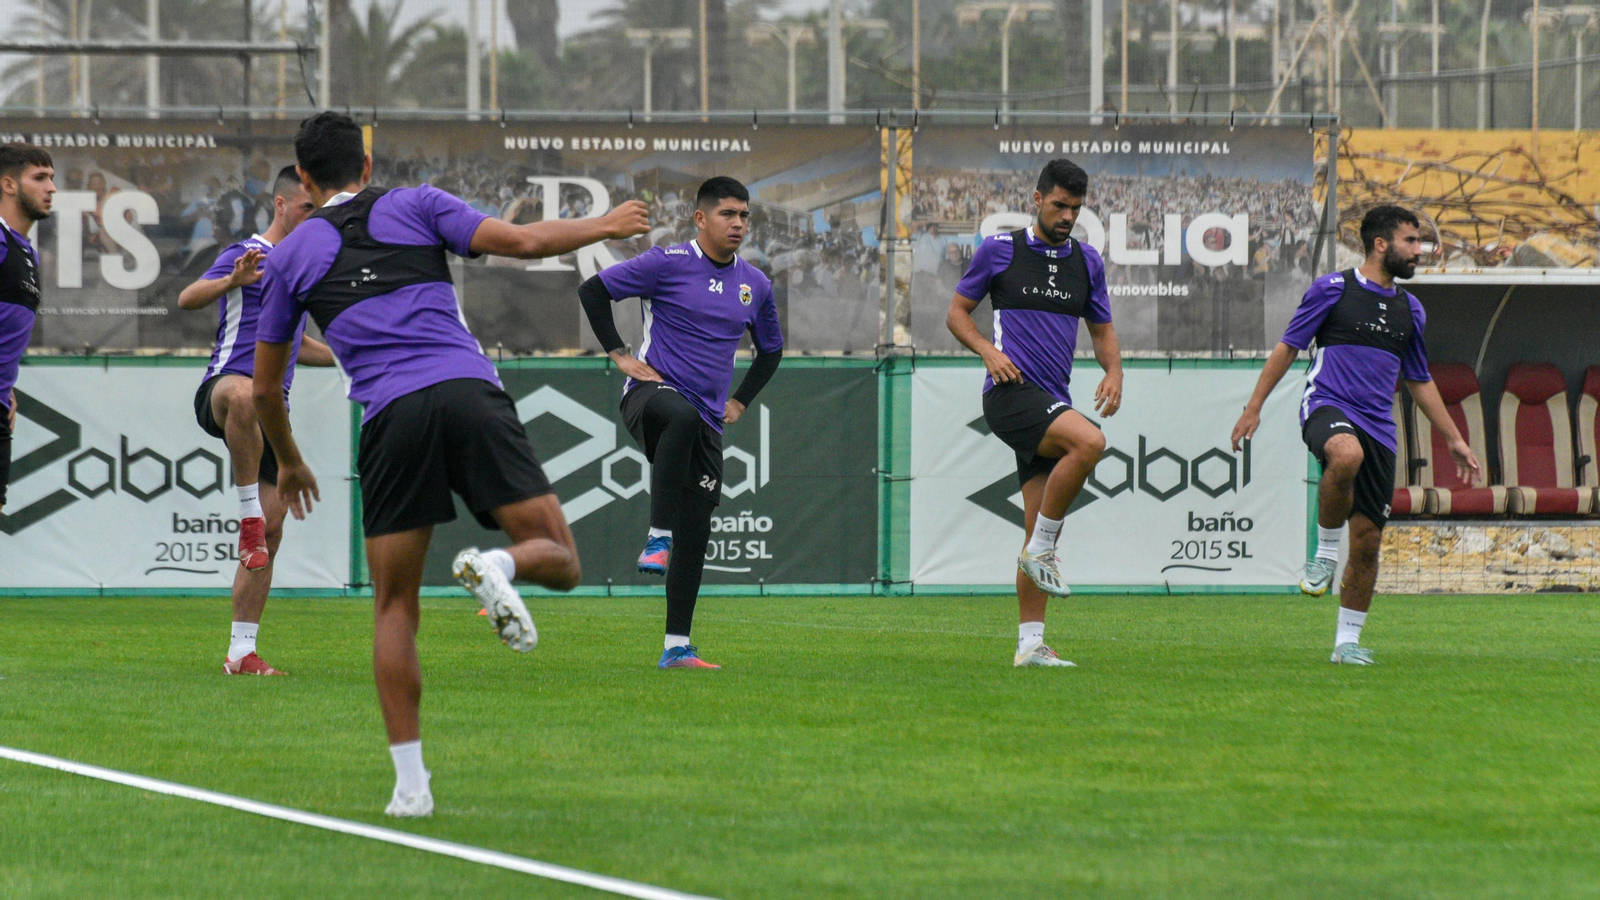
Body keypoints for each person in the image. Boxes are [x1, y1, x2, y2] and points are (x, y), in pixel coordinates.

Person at [252, 112, 649, 817]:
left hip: (391, 420)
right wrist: (605, 225)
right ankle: (500, 566)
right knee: (559, 559)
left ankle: (411, 787)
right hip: (468, 395)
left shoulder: (287, 257)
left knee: (394, 607)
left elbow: (263, 388)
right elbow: (523, 242)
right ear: (367, 167)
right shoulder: (416, 203)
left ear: (305, 182)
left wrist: (288, 462)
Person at [1231, 205, 1480, 665]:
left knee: (1366, 541)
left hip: (1380, 428)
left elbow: (1419, 379)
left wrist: (1453, 439)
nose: (1418, 250)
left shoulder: (1412, 309)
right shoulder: (1332, 289)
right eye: (1410, 241)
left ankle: (1346, 644)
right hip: (1327, 405)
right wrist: (1254, 407)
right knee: (1344, 456)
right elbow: (1288, 348)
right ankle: (1323, 552)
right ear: (1381, 244)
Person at [577, 176, 783, 670]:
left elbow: (772, 351)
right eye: (728, 214)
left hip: (707, 419)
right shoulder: (666, 264)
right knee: (682, 416)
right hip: (651, 397)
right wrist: (620, 357)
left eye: (744, 215)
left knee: (698, 531)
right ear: (701, 218)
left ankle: (676, 647)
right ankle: (657, 536)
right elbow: (592, 291)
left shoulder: (755, 284)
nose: (738, 223)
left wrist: (742, 402)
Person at [945, 158, 1123, 668]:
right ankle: (1042, 550)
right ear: (1038, 200)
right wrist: (987, 350)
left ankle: (1029, 645)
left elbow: (1102, 329)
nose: (1068, 215)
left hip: (1052, 400)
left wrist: (1114, 371)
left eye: (1076, 208)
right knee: (1089, 443)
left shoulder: (1087, 261)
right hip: (1010, 394)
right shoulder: (1000, 251)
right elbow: (956, 313)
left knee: (1035, 526)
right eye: (1060, 205)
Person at [178, 165, 334, 676]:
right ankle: (247, 516)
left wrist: (350, 354)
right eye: (307, 208)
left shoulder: (300, 269)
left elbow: (297, 344)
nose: (313, 217)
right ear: (282, 205)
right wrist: (233, 279)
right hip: (224, 390)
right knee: (244, 395)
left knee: (272, 530)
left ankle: (241, 652)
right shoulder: (249, 254)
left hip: (272, 409)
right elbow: (187, 298)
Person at [0, 144, 54, 517]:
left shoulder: (26, 253)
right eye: (39, 178)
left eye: (52, 179)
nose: (51, 188)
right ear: (8, 184)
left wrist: (7, 387)